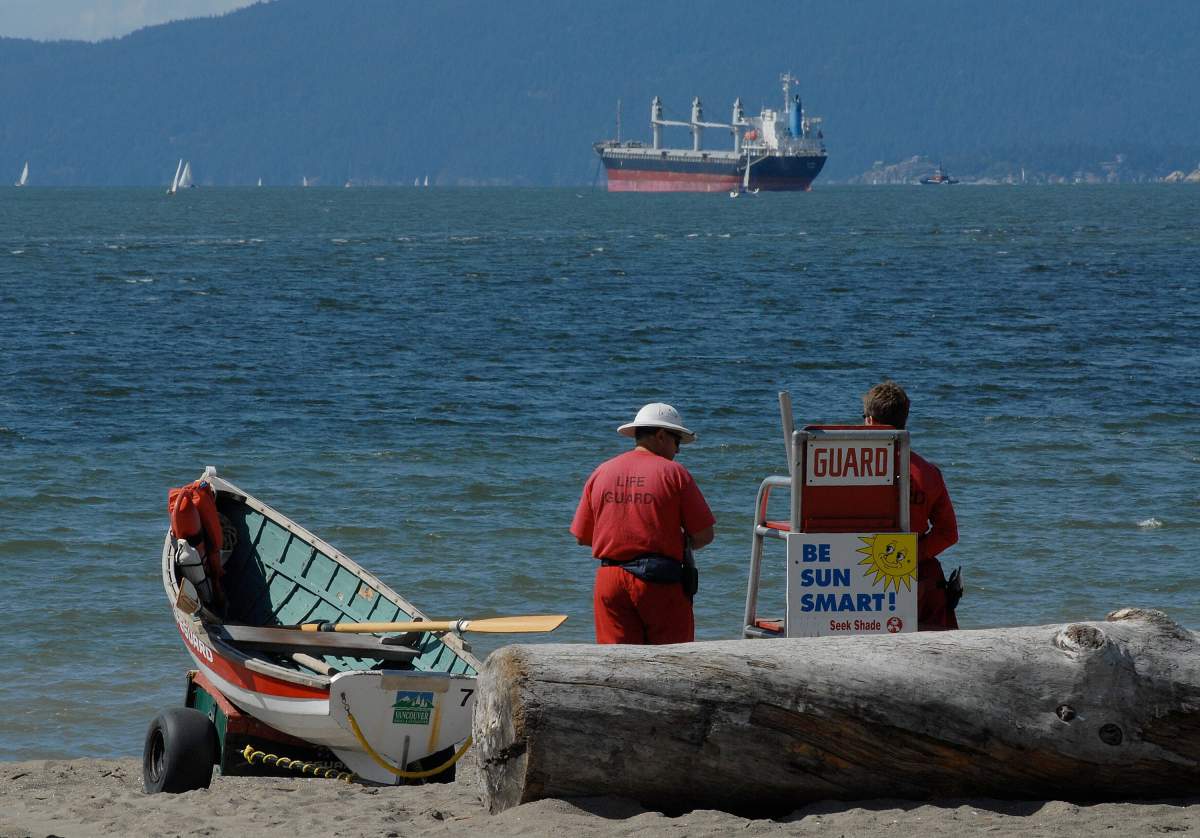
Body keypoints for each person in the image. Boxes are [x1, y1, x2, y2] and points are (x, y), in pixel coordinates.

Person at [571, 403, 716, 644]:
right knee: (672, 664)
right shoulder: (673, 473)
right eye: (677, 442)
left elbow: (583, 537)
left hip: (610, 580)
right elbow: (704, 534)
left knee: (615, 665)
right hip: (659, 582)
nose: (678, 451)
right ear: (661, 436)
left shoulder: (602, 471)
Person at [861, 381, 960, 630]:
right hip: (916, 578)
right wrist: (908, 557)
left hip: (853, 575)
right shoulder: (927, 473)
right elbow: (947, 533)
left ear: (870, 422)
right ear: (904, 420)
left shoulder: (845, 473)